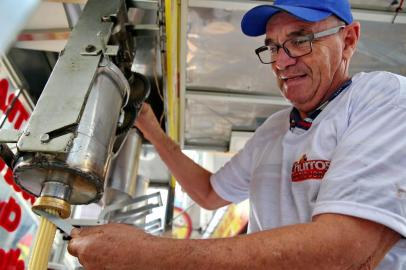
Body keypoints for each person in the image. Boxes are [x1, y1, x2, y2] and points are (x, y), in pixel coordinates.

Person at [68, 0, 406, 269]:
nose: (282, 62)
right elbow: (209, 193)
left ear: (348, 40)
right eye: (273, 46)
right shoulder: (273, 129)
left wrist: (148, 256)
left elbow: (345, 255)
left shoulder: (382, 99)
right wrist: (151, 128)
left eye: (300, 40)